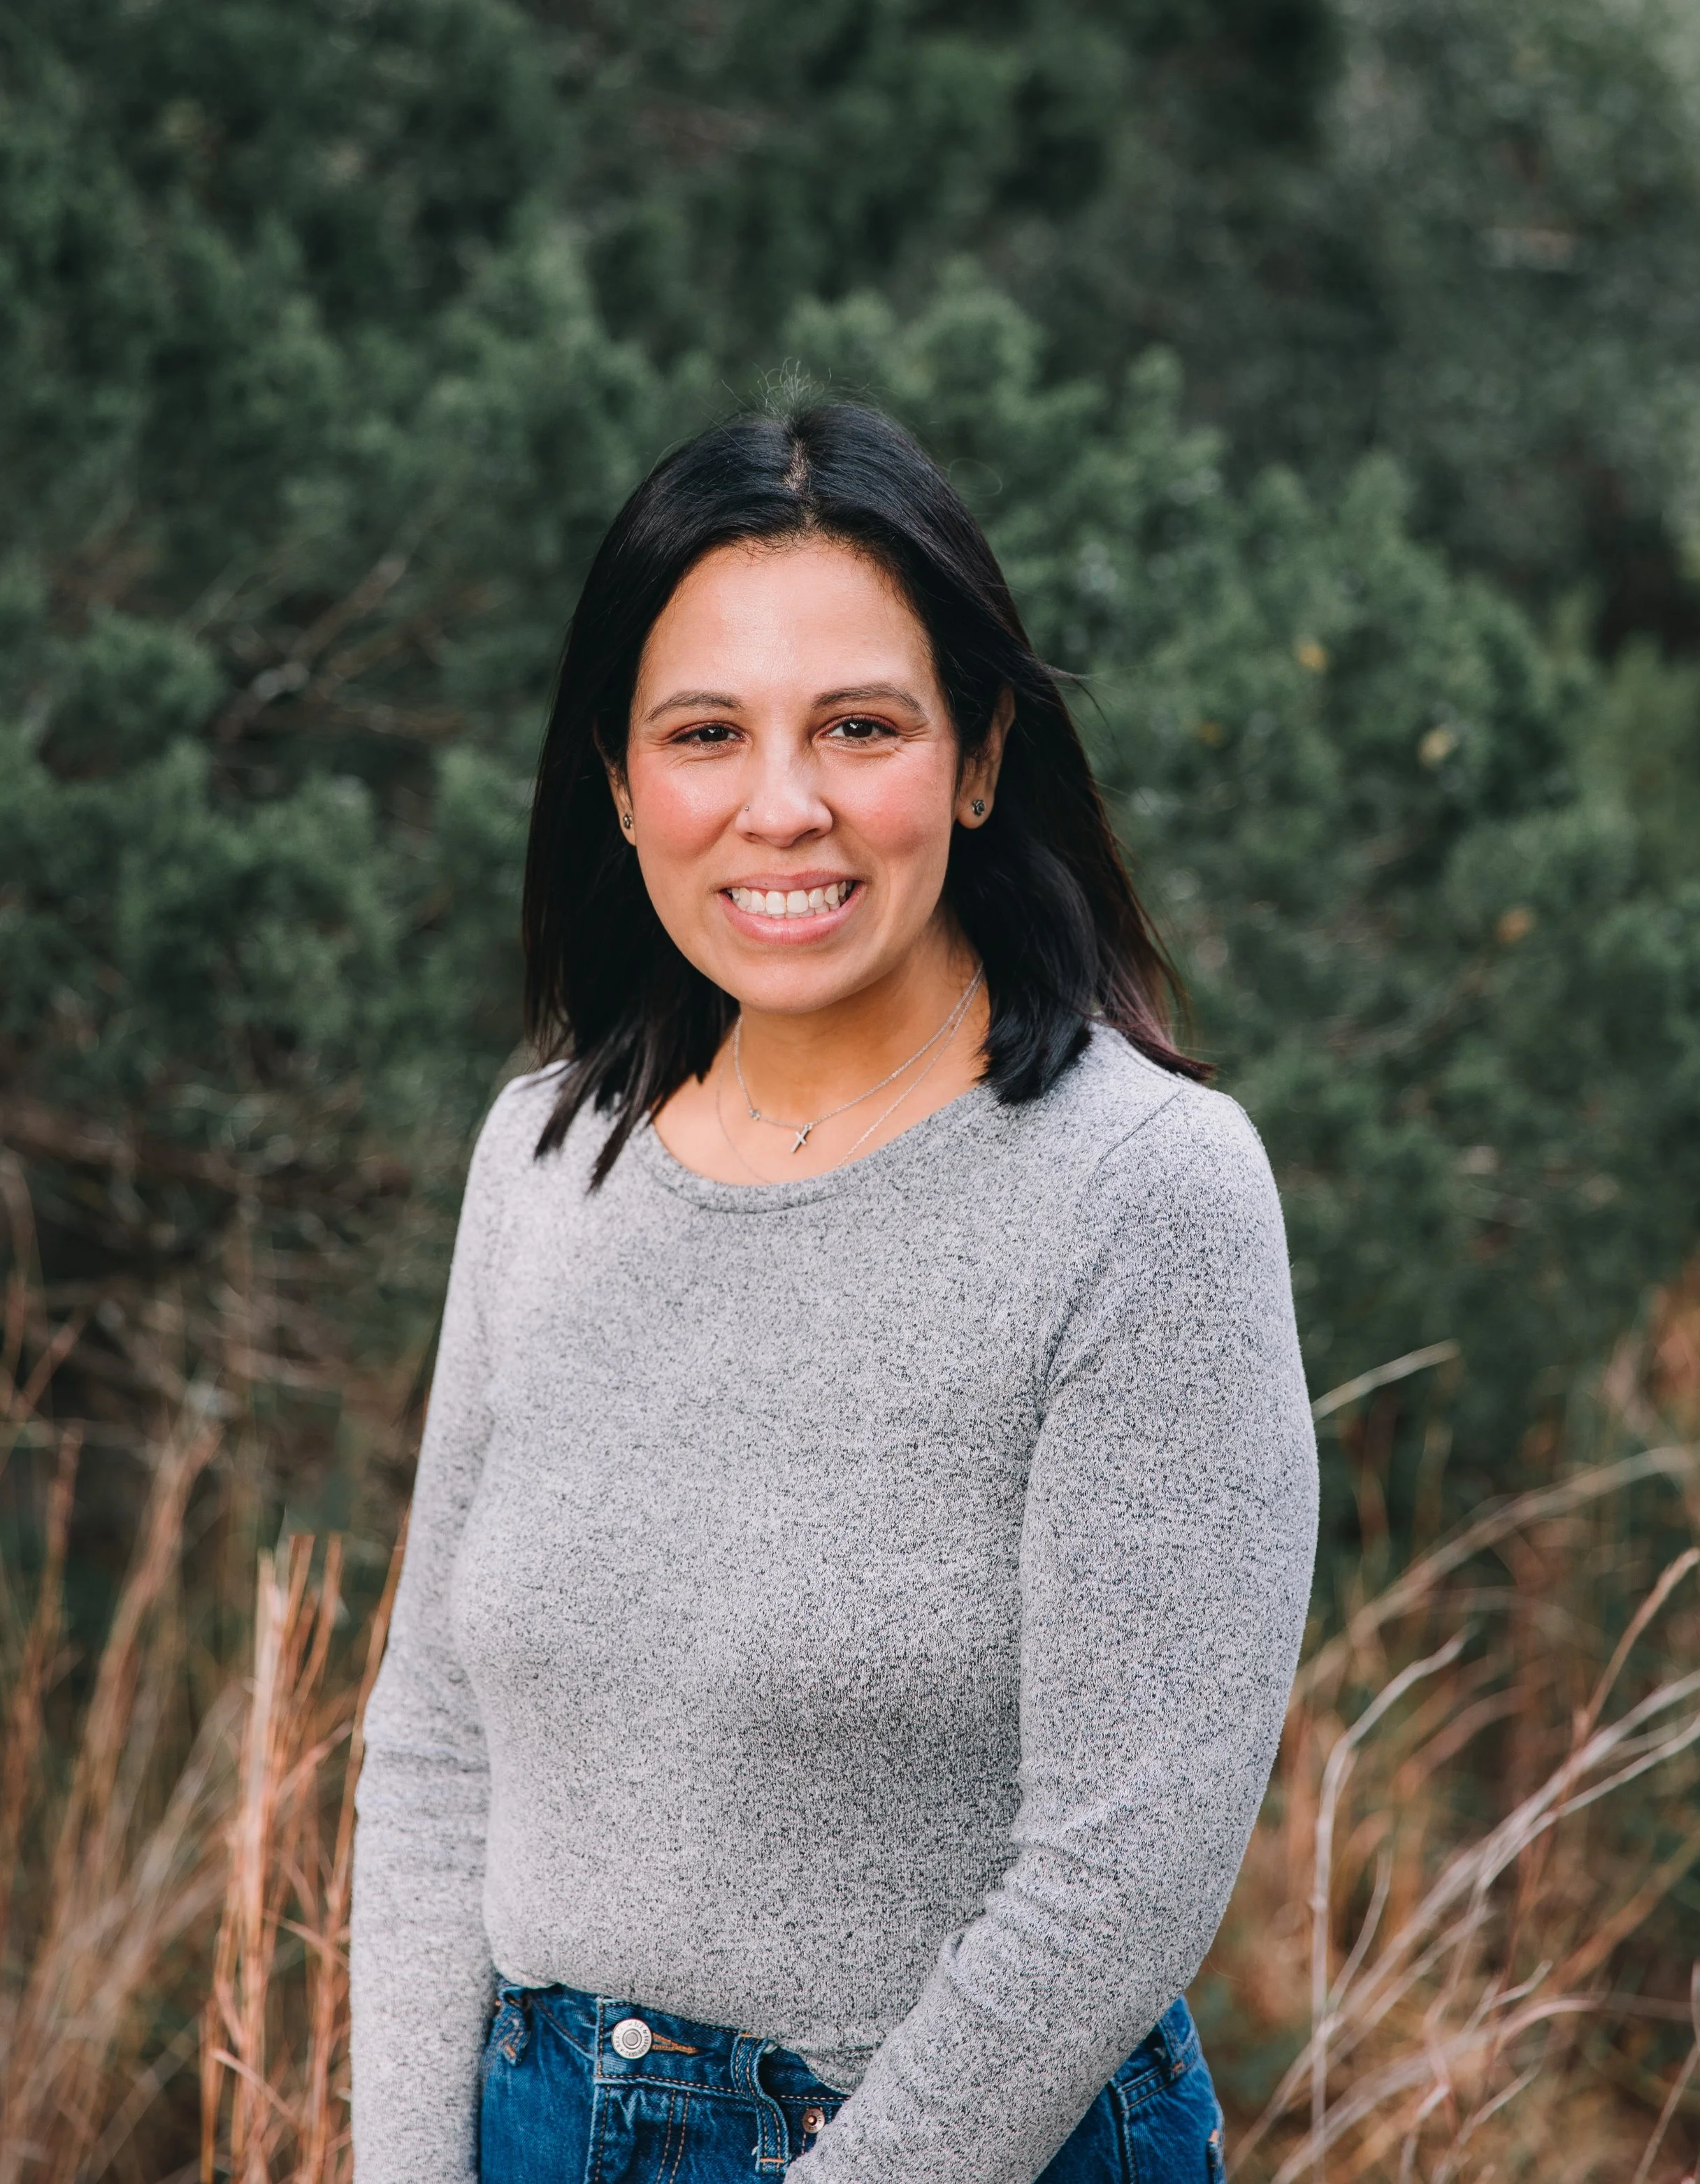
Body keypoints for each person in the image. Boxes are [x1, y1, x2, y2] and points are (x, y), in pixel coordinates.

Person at [350, 401, 1319, 2184]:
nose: (779, 805)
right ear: (622, 778)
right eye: (705, 730)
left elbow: (1124, 1866)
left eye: (858, 726)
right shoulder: (547, 1154)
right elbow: (432, 1742)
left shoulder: (1141, 1190)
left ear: (976, 754)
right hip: (533, 2123)